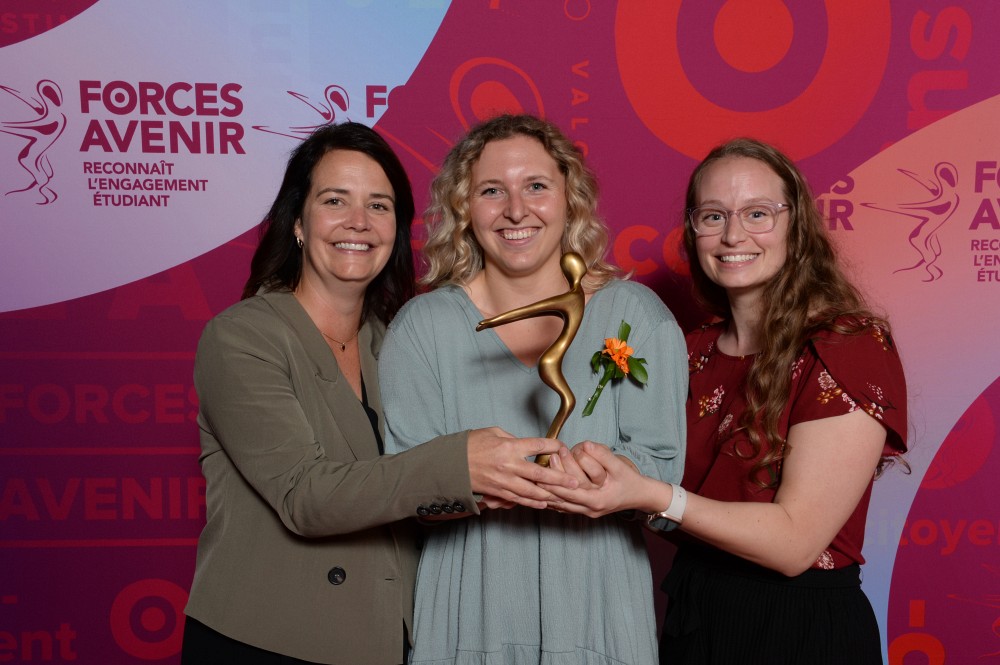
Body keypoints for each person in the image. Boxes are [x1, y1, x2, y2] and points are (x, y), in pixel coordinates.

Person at [181, 122, 576, 665]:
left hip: (383, 640)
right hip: (266, 641)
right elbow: (305, 496)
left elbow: (411, 495)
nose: (358, 223)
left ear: (397, 228)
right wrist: (461, 466)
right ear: (297, 221)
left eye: (379, 206)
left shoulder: (396, 341)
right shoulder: (242, 336)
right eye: (335, 200)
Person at [544, 137, 908, 665]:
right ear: (693, 231)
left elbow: (795, 542)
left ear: (796, 227)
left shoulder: (845, 345)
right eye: (713, 216)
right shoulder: (687, 351)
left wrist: (650, 494)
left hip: (799, 627)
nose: (733, 234)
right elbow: (637, 470)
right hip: (695, 611)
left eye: (757, 213)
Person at [378, 114, 687, 664]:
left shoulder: (635, 318)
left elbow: (662, 472)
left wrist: (596, 474)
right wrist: (477, 479)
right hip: (468, 612)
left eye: (536, 187)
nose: (516, 210)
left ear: (571, 200)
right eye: (492, 191)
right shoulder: (421, 329)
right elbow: (406, 490)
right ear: (463, 209)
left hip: (598, 609)